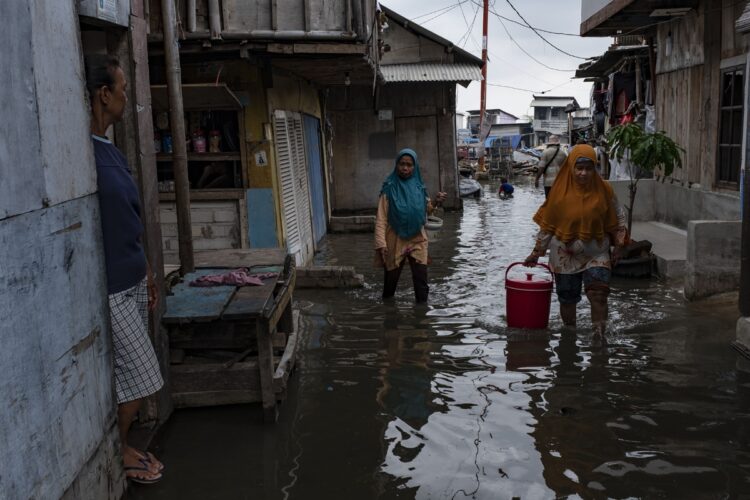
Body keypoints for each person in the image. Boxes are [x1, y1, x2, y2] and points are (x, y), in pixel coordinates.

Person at [85, 55, 165, 484]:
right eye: (122, 88)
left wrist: (149, 271)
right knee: (142, 376)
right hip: (113, 287)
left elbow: (127, 221)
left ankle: (123, 443)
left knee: (131, 374)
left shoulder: (110, 150)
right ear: (104, 95)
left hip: (134, 279)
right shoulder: (83, 155)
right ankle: (117, 448)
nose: (125, 96)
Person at [524, 145, 627, 339]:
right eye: (579, 168)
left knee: (599, 295)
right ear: (571, 167)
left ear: (594, 168)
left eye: (589, 168)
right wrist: (537, 252)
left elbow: (619, 217)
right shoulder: (558, 192)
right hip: (565, 254)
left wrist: (619, 245)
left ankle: (599, 335)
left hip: (597, 251)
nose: (583, 173)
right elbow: (547, 227)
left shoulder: (604, 189)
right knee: (568, 300)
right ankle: (570, 336)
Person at [375, 149, 446, 303]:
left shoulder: (419, 187)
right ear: (397, 165)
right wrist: (381, 244)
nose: (405, 168)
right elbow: (381, 219)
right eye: (402, 164)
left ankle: (421, 318)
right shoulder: (389, 188)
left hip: (418, 238)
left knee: (421, 281)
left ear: (415, 167)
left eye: (409, 165)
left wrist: (436, 201)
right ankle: (389, 314)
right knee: (390, 285)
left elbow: (427, 209)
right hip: (395, 239)